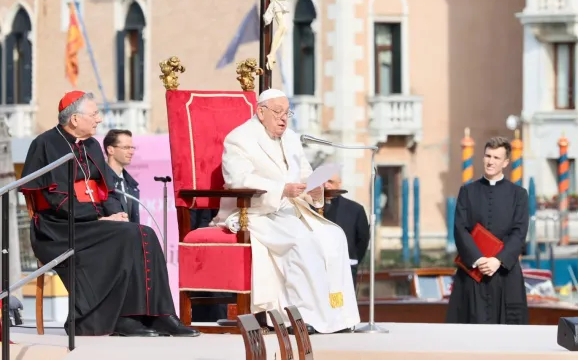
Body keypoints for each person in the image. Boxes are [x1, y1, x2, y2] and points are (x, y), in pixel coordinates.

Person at [20, 91, 199, 338]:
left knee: (143, 233)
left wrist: (117, 213)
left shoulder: (92, 145)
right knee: (129, 236)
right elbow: (53, 199)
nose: (100, 120)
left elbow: (109, 190)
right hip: (59, 228)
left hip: (93, 223)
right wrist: (96, 218)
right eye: (94, 114)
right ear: (74, 119)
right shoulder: (45, 144)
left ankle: (160, 315)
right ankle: (122, 319)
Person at [213, 88, 360, 334]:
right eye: (278, 112)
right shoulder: (239, 138)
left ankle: (337, 316)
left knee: (334, 236)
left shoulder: (291, 138)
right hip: (256, 212)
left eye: (287, 113)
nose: (283, 118)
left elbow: (304, 173)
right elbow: (237, 180)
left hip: (292, 209)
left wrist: (314, 189)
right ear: (261, 112)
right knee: (301, 241)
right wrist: (281, 189)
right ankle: (301, 317)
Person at [446, 136, 529, 325]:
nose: (490, 161)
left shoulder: (519, 194)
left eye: (496, 158)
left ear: (506, 162)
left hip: (505, 273)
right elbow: (460, 228)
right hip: (473, 273)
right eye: (487, 156)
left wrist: (497, 260)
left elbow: (519, 232)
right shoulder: (467, 191)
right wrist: (480, 259)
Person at [323, 173, 370, 288]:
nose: (325, 185)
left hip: (346, 267)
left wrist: (352, 257)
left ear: (339, 184)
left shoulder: (355, 209)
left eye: (330, 181)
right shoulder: (309, 208)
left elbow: (362, 240)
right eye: (322, 181)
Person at [103, 129, 140, 224]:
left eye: (132, 148)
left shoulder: (130, 184)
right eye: (126, 147)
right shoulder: (101, 181)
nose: (131, 152)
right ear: (110, 150)